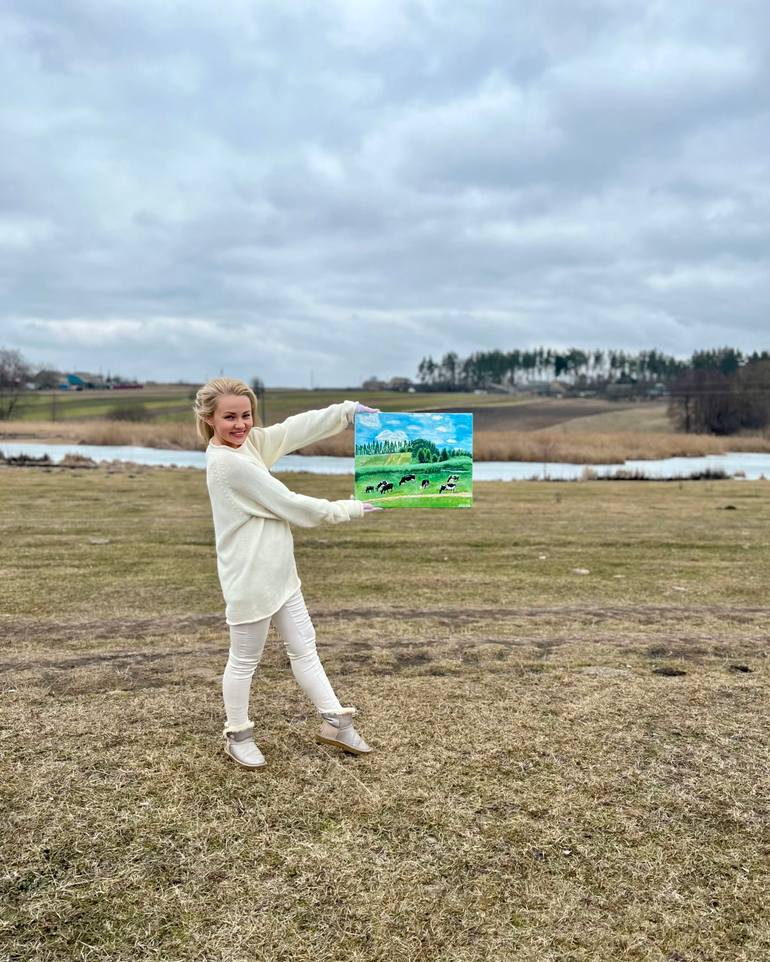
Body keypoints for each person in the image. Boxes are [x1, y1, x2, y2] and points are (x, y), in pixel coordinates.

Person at [192, 377, 380, 770]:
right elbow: (289, 504)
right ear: (209, 419)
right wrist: (351, 508)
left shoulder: (250, 446)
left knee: (305, 647)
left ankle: (335, 723)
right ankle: (238, 734)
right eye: (230, 417)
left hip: (281, 574)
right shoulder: (228, 465)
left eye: (246, 415)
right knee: (244, 660)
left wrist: (347, 413)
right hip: (248, 579)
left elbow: (295, 429)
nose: (241, 424)